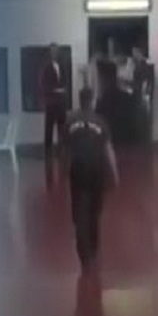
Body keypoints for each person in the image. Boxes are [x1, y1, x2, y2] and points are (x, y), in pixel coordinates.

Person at [63, 88, 119, 270]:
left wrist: (64, 171)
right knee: (94, 212)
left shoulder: (70, 121)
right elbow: (108, 150)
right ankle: (93, 249)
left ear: (80, 100)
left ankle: (83, 253)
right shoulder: (101, 122)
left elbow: (66, 150)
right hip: (97, 170)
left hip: (78, 170)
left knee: (78, 211)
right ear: (92, 101)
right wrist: (114, 174)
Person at [41, 43, 68, 159]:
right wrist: (56, 90)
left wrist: (63, 90)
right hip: (51, 103)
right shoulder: (46, 67)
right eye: (52, 51)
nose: (54, 53)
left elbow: (65, 81)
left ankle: (62, 151)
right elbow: (43, 85)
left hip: (61, 103)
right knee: (49, 128)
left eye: (56, 51)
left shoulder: (62, 66)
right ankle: (47, 153)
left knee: (62, 128)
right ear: (49, 52)